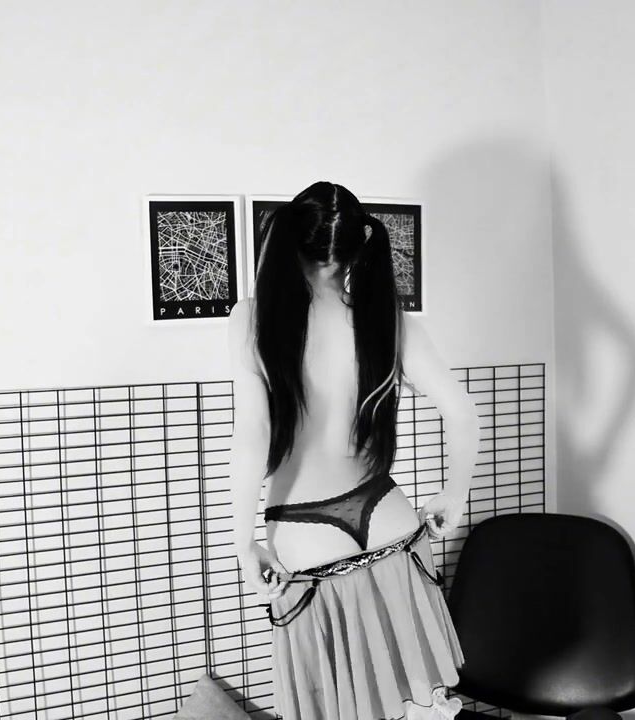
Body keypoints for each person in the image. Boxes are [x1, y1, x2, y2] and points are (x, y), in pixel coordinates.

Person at [225, 181, 480, 720]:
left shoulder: (251, 319)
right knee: (413, 705)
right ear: (361, 247)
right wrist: (454, 496)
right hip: (390, 522)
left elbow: (251, 436)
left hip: (304, 534)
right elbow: (462, 411)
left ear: (288, 240)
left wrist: (242, 542)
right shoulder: (386, 319)